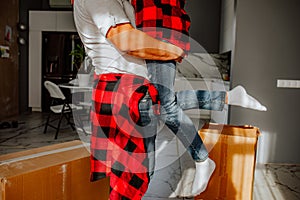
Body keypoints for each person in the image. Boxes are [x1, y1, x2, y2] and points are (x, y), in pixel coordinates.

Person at [73, 0, 266, 199]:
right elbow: (126, 40)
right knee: (130, 174)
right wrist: (174, 50)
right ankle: (205, 150)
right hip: (121, 89)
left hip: (135, 86)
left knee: (142, 165)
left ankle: (226, 102)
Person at [131, 0, 267, 197]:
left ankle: (202, 159)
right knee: (153, 105)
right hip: (155, 30)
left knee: (164, 105)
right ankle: (228, 97)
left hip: (158, 30)